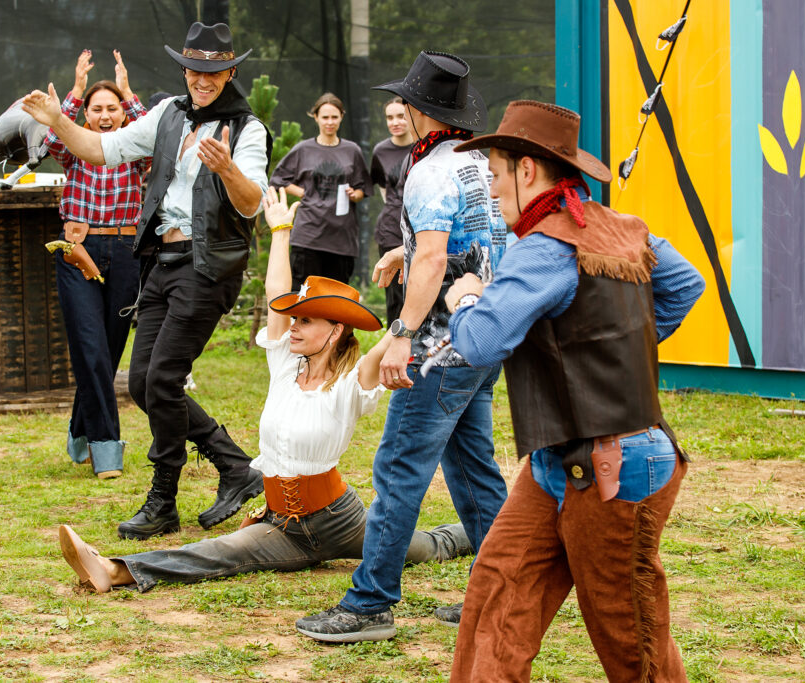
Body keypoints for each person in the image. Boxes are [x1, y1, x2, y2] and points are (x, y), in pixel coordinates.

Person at [56, 187, 472, 594]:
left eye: (305, 321)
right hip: (282, 525)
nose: (293, 326)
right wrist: (280, 231)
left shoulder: (354, 379)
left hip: (340, 519)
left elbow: (404, 322)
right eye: (295, 320)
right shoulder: (284, 364)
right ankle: (112, 570)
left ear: (336, 329)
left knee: (429, 546)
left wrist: (428, 257)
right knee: (218, 552)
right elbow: (277, 293)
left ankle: (491, 529)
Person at [443, 100, 705, 681]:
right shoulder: (623, 228)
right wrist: (607, 345)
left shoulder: (541, 247)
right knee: (496, 599)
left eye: (494, 173)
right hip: (557, 460)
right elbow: (686, 285)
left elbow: (481, 342)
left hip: (617, 466)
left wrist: (464, 297)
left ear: (527, 171)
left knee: (632, 643)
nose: (491, 187)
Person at [23, 22, 270, 538]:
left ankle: (163, 499)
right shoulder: (168, 114)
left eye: (214, 71)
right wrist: (56, 121)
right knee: (141, 382)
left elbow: (251, 205)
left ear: (230, 71)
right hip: (161, 261)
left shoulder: (246, 130)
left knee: (161, 380)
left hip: (208, 265)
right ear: (185, 69)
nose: (203, 80)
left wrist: (227, 170)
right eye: (195, 70)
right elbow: (99, 149)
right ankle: (236, 466)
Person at [296, 51, 508, 643]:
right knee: (473, 470)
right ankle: (504, 596)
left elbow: (439, 255)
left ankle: (369, 603)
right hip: (482, 338)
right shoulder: (481, 163)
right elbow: (474, 244)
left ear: (421, 113)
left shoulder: (431, 172)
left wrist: (403, 335)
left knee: (398, 469)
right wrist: (404, 253)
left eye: (406, 104)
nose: (402, 112)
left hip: (438, 347)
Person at [43, 49, 145, 479]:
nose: (105, 116)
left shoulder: (137, 151)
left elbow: (155, 133)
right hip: (78, 254)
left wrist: (128, 92)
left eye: (113, 109)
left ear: (122, 113)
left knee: (108, 348)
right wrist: (76, 91)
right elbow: (52, 137)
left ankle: (79, 430)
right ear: (86, 115)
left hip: (125, 254)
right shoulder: (74, 149)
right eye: (96, 110)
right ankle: (106, 449)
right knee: (89, 344)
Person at [270, 93, 371, 288]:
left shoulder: (353, 151)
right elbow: (278, 179)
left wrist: (354, 194)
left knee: (335, 303)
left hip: (342, 239)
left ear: (342, 116)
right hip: (308, 236)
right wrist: (301, 192)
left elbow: (362, 188)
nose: (330, 122)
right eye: (325, 117)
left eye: (334, 117)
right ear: (315, 117)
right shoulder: (303, 149)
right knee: (303, 299)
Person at [370, 97, 413, 324]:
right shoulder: (380, 150)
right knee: (395, 298)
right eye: (390, 117)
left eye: (401, 116)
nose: (395, 122)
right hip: (390, 231)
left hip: (421, 231)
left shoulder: (422, 147)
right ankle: (394, 352)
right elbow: (384, 188)